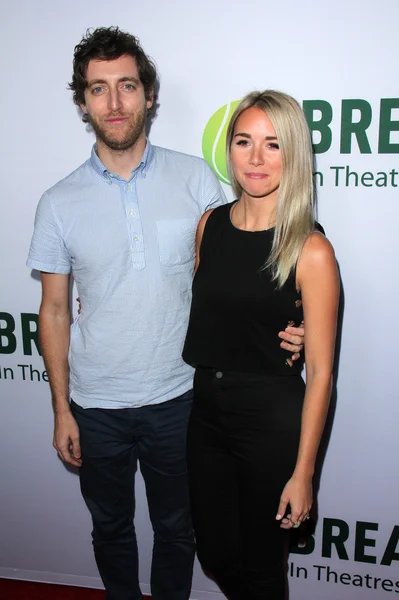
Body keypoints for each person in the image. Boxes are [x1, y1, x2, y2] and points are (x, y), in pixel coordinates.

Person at [26, 27, 305, 600]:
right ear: (83, 101)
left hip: (182, 399)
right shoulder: (58, 202)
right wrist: (61, 408)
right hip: (96, 404)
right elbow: (54, 311)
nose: (115, 102)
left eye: (127, 85)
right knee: (111, 529)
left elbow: (247, 262)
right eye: (99, 89)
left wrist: (295, 321)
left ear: (149, 94)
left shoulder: (197, 179)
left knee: (179, 532)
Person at [183, 90, 339, 600]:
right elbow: (219, 309)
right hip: (206, 411)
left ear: (292, 155)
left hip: (270, 420)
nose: (255, 158)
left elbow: (320, 374)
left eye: (273, 145)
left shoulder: (310, 249)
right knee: (213, 553)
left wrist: (303, 473)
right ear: (228, 150)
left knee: (264, 567)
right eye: (244, 141)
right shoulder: (209, 226)